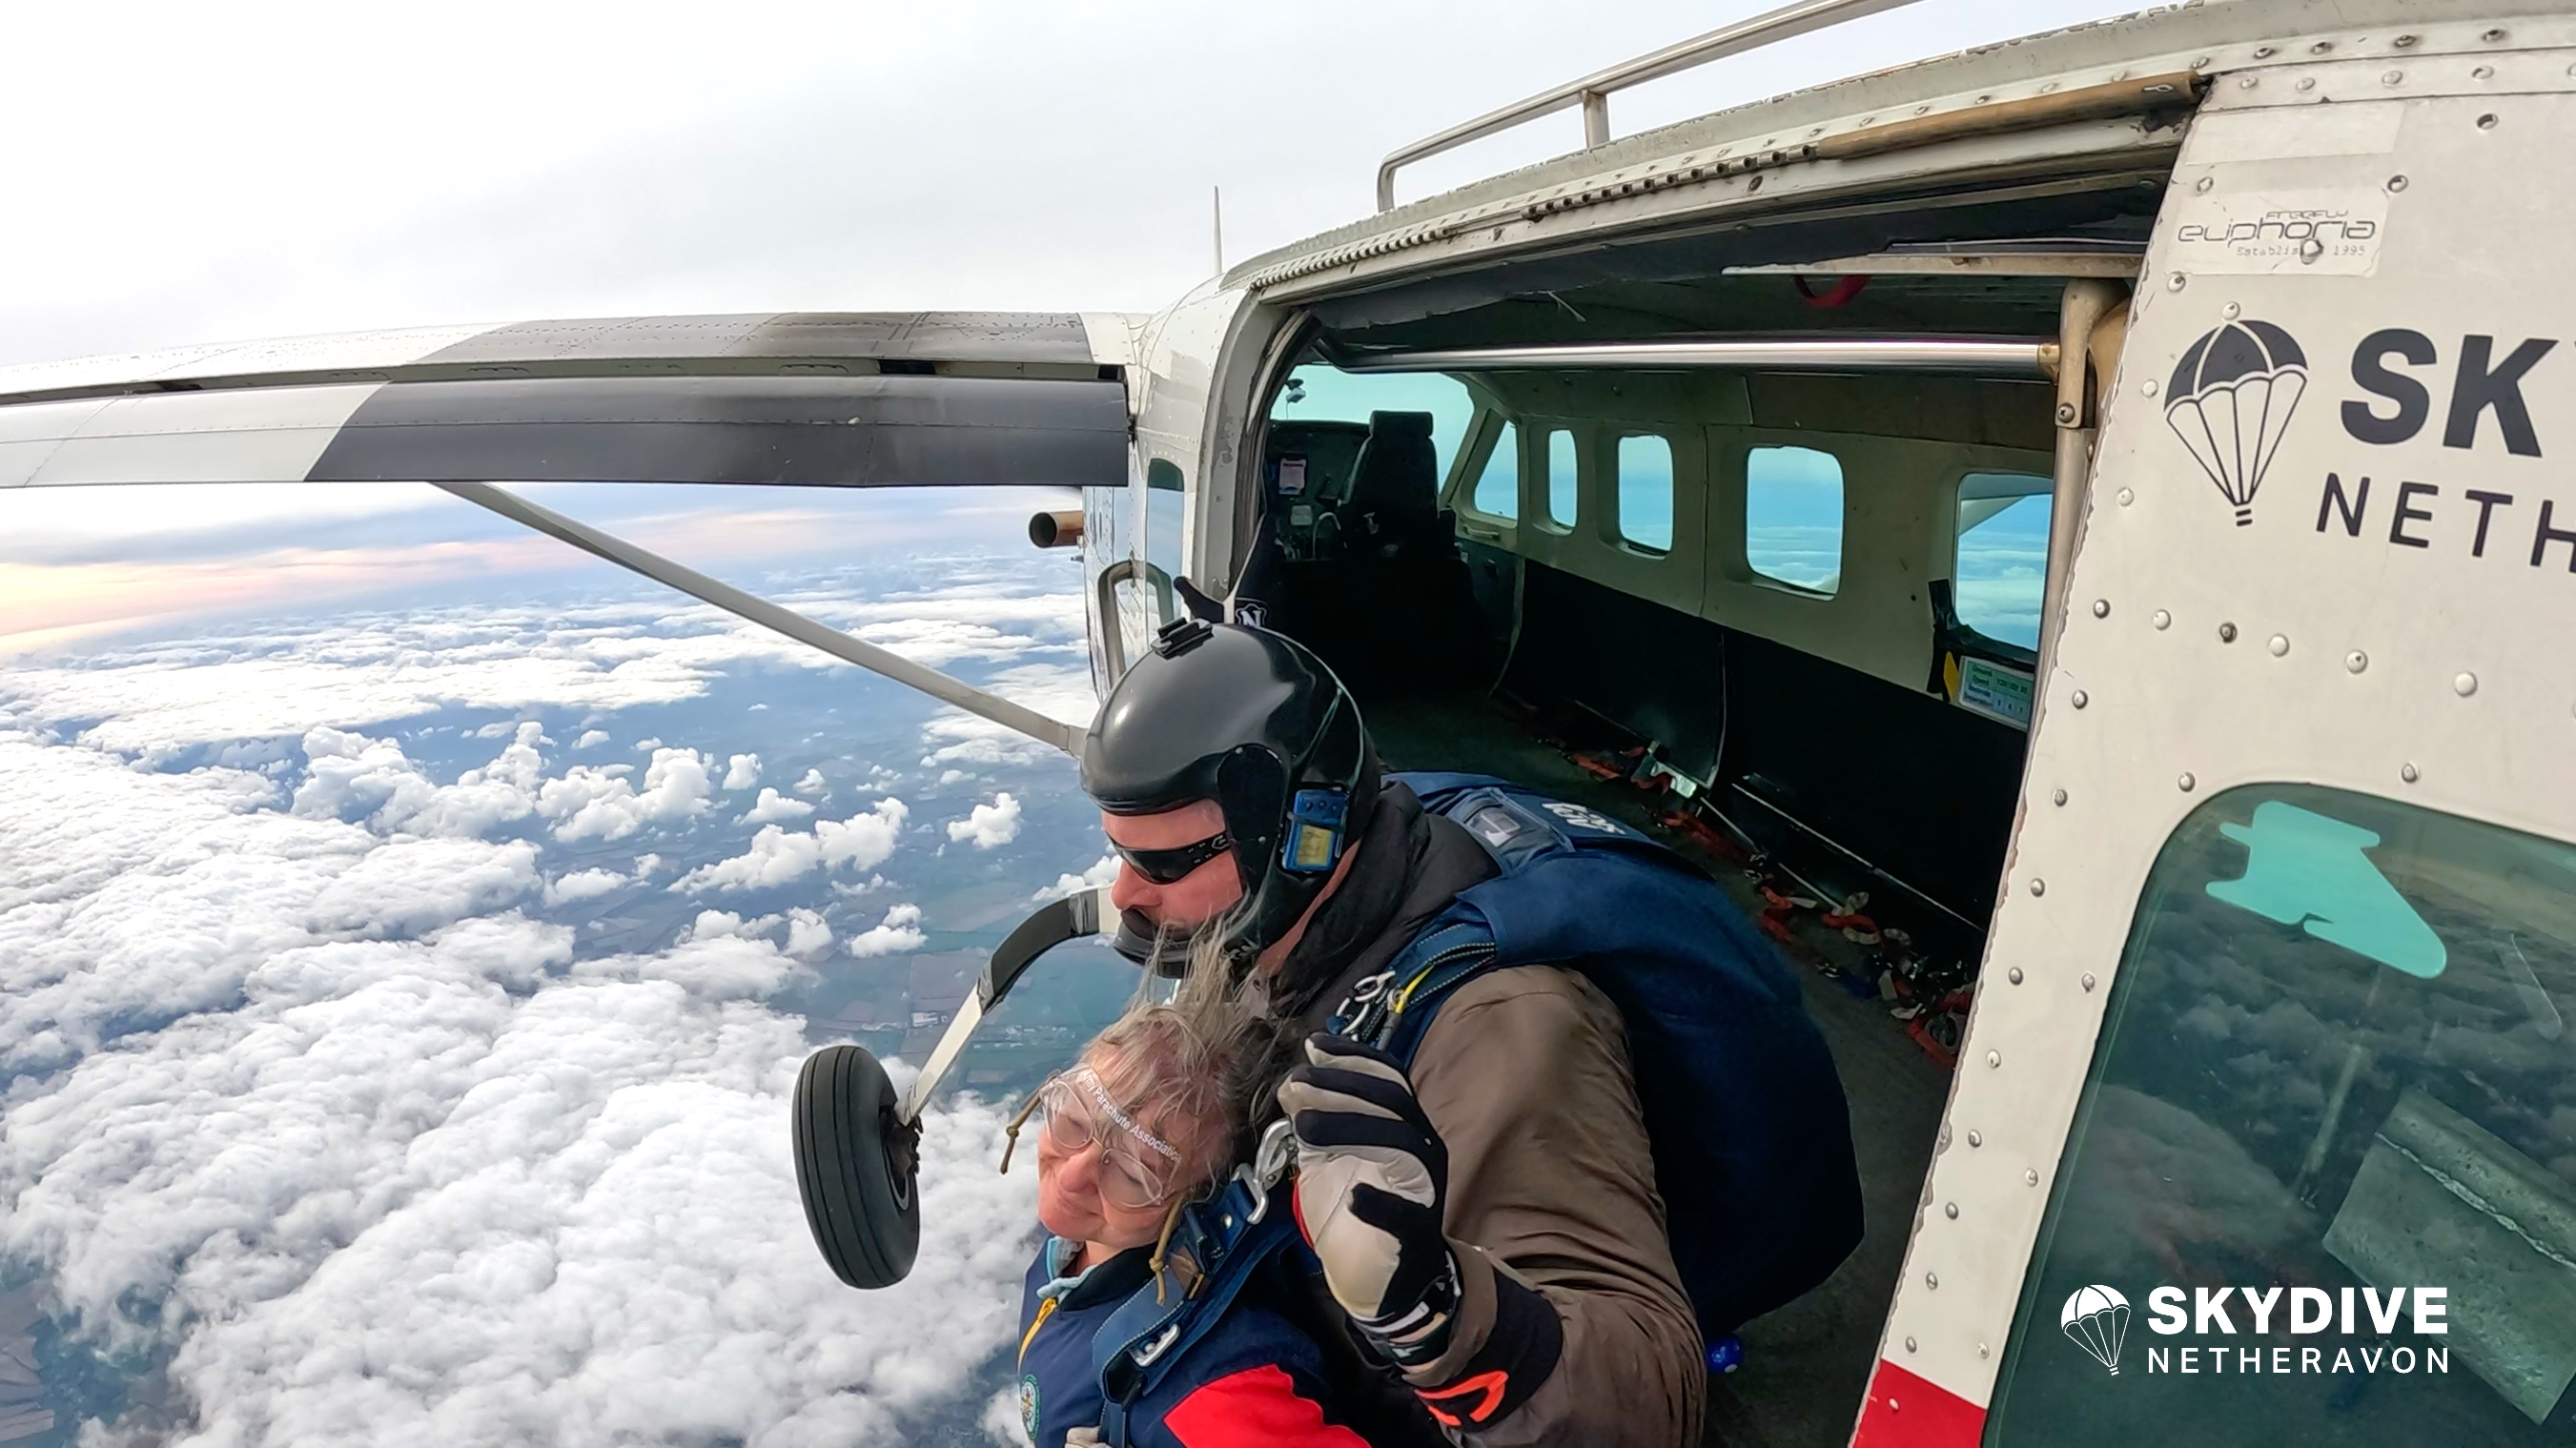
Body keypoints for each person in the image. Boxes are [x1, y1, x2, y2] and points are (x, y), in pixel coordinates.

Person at [1079, 618, 1709, 1448]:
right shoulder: (1291, 933)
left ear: (1300, 839)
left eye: (1165, 862)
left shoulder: (1504, 1028)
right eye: (1121, 853)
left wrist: (1433, 1312)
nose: (1124, 894)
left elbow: (1653, 1408)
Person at [1007, 1000, 1367, 1448]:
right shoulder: (1081, 1243)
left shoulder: (1215, 1393)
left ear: (1202, 1205)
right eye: (1074, 1120)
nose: (1071, 1176)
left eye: (1133, 1174)